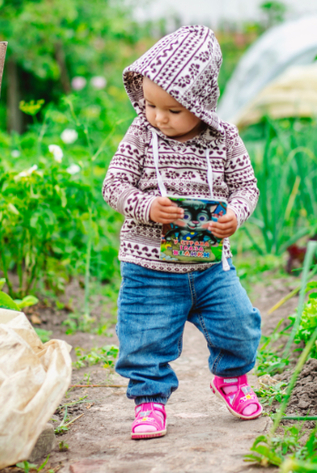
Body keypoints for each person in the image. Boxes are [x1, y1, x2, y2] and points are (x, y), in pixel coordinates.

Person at [102, 25, 262, 440]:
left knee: (239, 326)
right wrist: (148, 207)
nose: (158, 116)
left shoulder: (224, 138)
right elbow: (114, 185)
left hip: (209, 264)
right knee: (144, 338)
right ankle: (150, 401)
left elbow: (247, 187)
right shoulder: (141, 134)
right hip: (149, 266)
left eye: (172, 109)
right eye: (151, 104)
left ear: (201, 104)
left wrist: (235, 214)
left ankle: (231, 378)